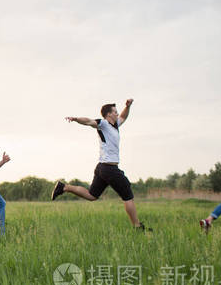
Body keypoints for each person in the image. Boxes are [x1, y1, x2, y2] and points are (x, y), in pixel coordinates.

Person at [52, 99, 151, 231]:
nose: (117, 114)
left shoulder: (115, 125)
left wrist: (128, 106)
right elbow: (88, 121)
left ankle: (64, 187)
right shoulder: (103, 124)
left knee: (92, 195)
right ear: (108, 114)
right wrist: (76, 119)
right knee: (128, 195)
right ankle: (138, 227)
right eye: (115, 112)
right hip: (109, 168)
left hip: (102, 168)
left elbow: (123, 116)